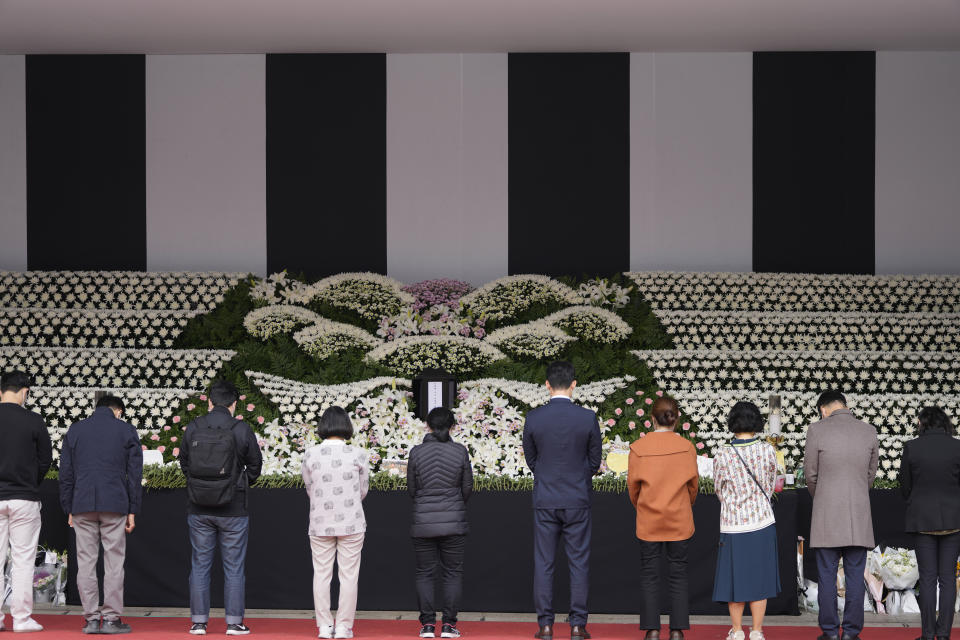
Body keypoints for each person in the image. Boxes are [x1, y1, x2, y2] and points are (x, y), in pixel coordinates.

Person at [522, 361, 602, 640]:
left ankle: (545, 625)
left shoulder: (534, 418)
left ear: (546, 384)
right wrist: (580, 476)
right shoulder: (587, 417)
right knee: (578, 562)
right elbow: (595, 460)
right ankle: (578, 625)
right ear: (573, 384)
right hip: (577, 497)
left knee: (544, 563)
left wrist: (545, 475)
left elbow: (531, 459)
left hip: (545, 497)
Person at [179, 380, 263, 636]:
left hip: (199, 507)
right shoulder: (241, 429)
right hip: (233, 508)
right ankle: (234, 622)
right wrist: (236, 484)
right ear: (234, 403)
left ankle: (198, 623)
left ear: (209, 401)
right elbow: (256, 467)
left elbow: (184, 464)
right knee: (234, 567)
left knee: (200, 564)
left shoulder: (193, 427)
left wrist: (202, 486)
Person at [59, 394, 143, 635]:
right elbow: (134, 475)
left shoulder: (76, 430)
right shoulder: (126, 430)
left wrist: (69, 507)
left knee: (85, 562)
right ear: (117, 411)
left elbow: (66, 472)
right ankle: (111, 619)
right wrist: (132, 510)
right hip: (115, 502)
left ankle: (91, 619)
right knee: (114, 562)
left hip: (82, 502)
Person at [803, 390, 878, 640]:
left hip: (827, 515)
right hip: (858, 514)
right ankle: (852, 632)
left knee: (826, 575)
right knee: (856, 577)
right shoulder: (868, 431)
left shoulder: (816, 430)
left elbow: (810, 475)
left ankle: (830, 632)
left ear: (823, 409)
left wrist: (824, 496)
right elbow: (870, 474)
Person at [627, 395, 698, 640]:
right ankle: (677, 630)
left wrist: (645, 507)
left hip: (649, 519)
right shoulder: (687, 448)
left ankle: (652, 629)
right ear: (677, 419)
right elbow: (693, 487)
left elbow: (633, 489)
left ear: (651, 420)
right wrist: (682, 505)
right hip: (679, 518)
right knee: (678, 572)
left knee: (649, 573)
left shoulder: (638, 448)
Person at [712, 402, 781, 640]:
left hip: (733, 523)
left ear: (732, 422)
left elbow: (719, 488)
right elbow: (771, 485)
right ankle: (757, 631)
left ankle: (738, 630)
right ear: (756, 422)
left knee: (735, 578)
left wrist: (734, 503)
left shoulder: (723, 453)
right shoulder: (767, 451)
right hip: (761, 521)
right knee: (759, 577)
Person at [301, 407, 370, 640]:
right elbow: (363, 490)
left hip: (320, 521)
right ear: (346, 426)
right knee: (349, 576)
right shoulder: (358, 454)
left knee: (321, 574)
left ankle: (323, 626)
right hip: (351, 521)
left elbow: (310, 488)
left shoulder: (311, 454)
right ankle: (343, 627)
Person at [407, 407, 474, 639]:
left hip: (423, 522)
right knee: (452, 573)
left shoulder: (416, 453)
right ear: (452, 426)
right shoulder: (460, 451)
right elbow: (467, 488)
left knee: (425, 573)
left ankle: (427, 626)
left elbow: (412, 490)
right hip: (453, 521)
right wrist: (454, 503)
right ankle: (448, 626)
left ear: (428, 426)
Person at [899, 407, 960, 640]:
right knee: (947, 577)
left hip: (922, 518)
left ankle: (927, 634)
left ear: (922, 422)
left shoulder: (912, 447)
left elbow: (905, 486)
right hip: (954, 520)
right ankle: (944, 634)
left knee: (927, 577)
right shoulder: (957, 446)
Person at [0, 371, 52, 633]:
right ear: (25, 392)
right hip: (24, 497)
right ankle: (21, 619)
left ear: (0, 391)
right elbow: (46, 459)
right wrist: (32, 480)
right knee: (22, 561)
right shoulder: (33, 420)